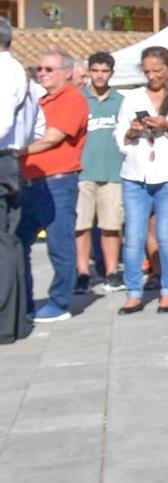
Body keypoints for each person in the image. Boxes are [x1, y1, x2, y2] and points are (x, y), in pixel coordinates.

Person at [114, 45, 168, 315]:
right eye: (147, 72)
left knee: (166, 233)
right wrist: (131, 131)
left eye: (157, 71)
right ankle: (133, 292)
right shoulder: (132, 97)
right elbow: (119, 135)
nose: (152, 77)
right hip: (135, 173)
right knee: (134, 235)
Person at [19, 53, 88, 323]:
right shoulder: (41, 100)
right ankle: (23, 300)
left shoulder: (71, 98)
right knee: (18, 242)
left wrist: (15, 152)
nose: (42, 72)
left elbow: (52, 138)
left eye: (49, 68)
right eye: (38, 68)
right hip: (31, 180)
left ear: (67, 72)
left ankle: (59, 302)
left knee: (60, 244)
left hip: (58, 180)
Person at [0, 21, 37, 343]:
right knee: (6, 240)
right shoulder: (17, 73)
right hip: (9, 158)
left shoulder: (5, 72)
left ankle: (6, 321)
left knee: (3, 243)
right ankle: (11, 320)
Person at [77, 52, 124, 295]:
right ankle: (83, 272)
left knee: (111, 226)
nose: (99, 75)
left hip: (113, 172)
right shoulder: (78, 99)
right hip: (82, 172)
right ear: (89, 71)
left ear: (111, 73)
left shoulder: (121, 101)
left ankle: (112, 271)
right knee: (81, 226)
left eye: (104, 71)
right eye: (95, 70)